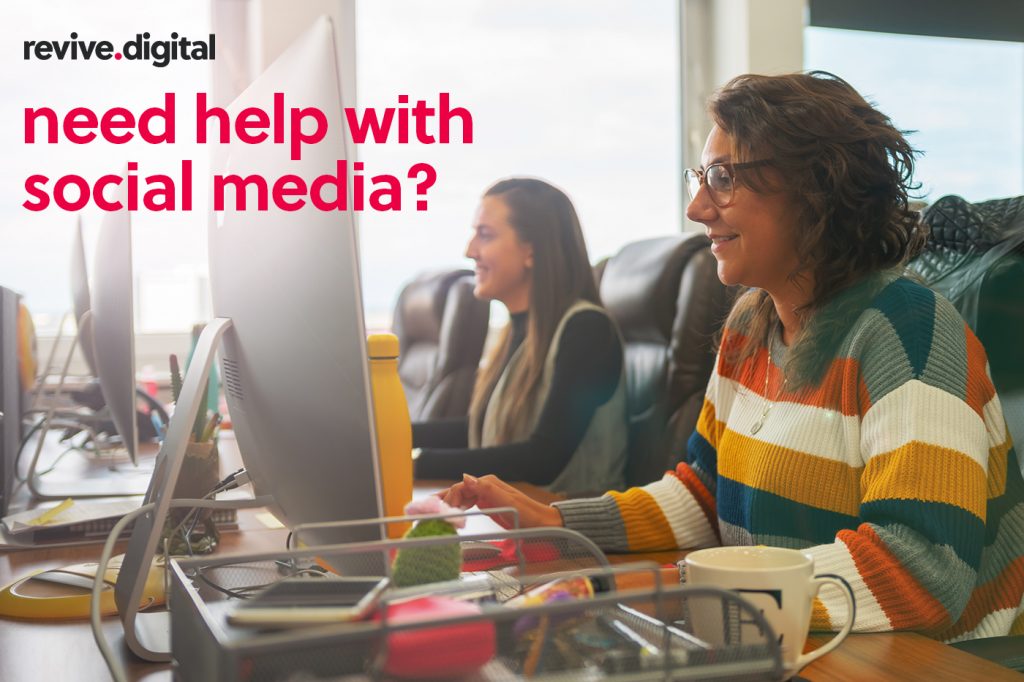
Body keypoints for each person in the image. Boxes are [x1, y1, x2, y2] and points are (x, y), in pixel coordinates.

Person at [441, 72, 1024, 642]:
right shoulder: (751, 324)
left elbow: (921, 569)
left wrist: (689, 588)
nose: (697, 208)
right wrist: (561, 524)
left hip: (933, 660)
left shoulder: (908, 332)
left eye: (722, 178)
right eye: (700, 176)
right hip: (792, 638)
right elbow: (704, 491)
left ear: (817, 190)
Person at [413, 177, 629, 495]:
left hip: (572, 535)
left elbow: (542, 458)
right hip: (519, 522)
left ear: (531, 250)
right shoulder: (519, 333)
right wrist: (392, 436)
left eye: (484, 235)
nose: (469, 250)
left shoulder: (586, 330)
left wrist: (415, 463)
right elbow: (480, 428)